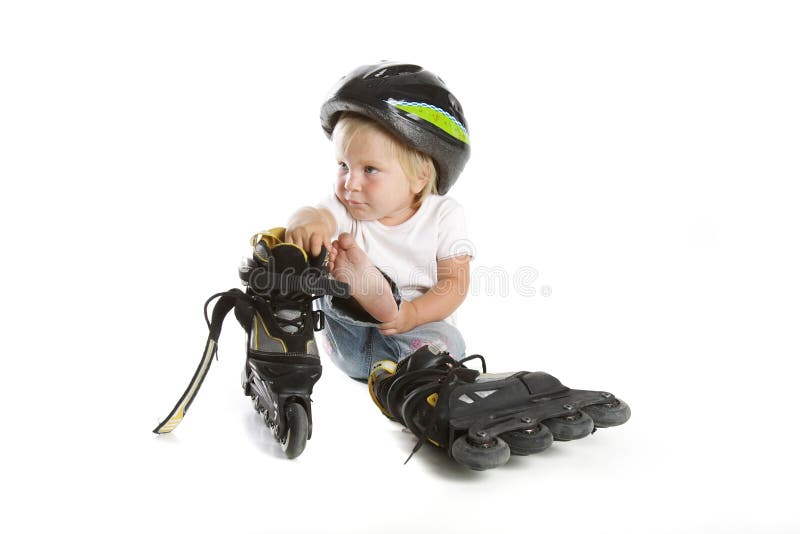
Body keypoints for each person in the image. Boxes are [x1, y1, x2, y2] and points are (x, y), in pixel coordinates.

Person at [282, 62, 473, 383]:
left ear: (420, 176)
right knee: (330, 288)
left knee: (448, 343)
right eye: (343, 165)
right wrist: (305, 221)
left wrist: (412, 314)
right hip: (352, 335)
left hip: (416, 333)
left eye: (369, 169)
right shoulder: (347, 207)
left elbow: (454, 284)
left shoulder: (443, 215)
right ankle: (364, 289)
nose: (350, 183)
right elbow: (320, 215)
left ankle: (399, 357)